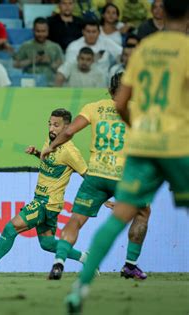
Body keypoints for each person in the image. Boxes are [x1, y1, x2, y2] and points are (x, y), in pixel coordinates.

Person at [65, 0, 189, 312]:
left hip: (144, 144)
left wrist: (139, 127)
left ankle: (79, 289)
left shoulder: (144, 51)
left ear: (160, 14)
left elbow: (121, 104)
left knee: (121, 215)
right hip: (176, 144)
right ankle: (130, 264)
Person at [43, 73, 150, 281]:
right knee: (143, 212)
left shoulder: (94, 108)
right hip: (124, 176)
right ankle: (130, 265)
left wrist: (51, 146)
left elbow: (69, 131)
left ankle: (59, 261)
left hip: (96, 176)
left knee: (75, 220)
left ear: (110, 90)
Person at [0, 108, 88, 276]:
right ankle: (85, 258)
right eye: (50, 124)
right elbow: (51, 162)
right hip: (45, 201)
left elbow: (87, 176)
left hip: (47, 202)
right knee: (47, 243)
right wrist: (37, 153)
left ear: (67, 128)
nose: (51, 129)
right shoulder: (51, 141)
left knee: (11, 228)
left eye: (56, 125)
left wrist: (100, 198)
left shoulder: (71, 152)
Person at [13, 18, 64, 86]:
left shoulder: (55, 47)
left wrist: (49, 62)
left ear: (48, 31)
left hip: (50, 84)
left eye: (43, 31)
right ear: (33, 31)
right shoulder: (25, 46)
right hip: (29, 84)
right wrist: (31, 61)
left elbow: (62, 69)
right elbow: (16, 65)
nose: (41, 34)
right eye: (38, 31)